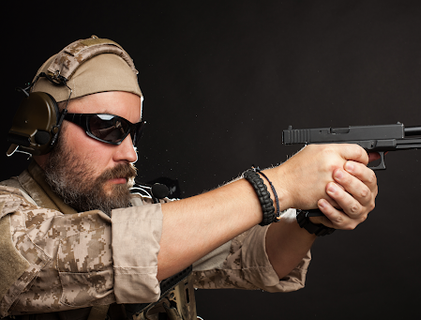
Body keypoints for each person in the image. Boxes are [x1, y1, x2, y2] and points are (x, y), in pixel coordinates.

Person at [0, 36, 378, 320]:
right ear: (43, 128)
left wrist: (311, 216)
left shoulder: (137, 210)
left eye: (134, 133)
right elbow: (110, 249)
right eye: (107, 128)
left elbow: (254, 259)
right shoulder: (7, 220)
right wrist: (279, 185)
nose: (130, 153)